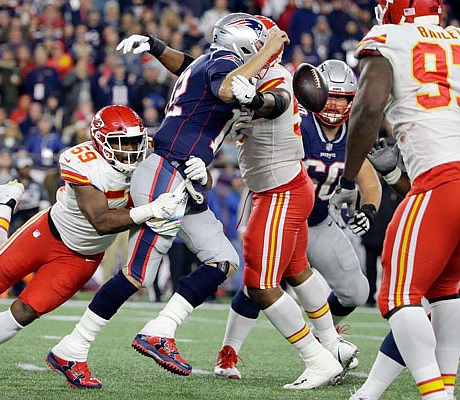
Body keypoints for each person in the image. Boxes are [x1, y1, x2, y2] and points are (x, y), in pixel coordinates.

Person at [46, 13, 289, 388]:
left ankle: (161, 329)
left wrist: (158, 47)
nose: (267, 52)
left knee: (223, 260)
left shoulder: (211, 63)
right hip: (166, 170)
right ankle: (71, 348)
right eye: (261, 44)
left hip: (183, 175)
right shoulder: (224, 64)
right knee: (136, 274)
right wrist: (270, 48)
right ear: (244, 42)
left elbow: (190, 68)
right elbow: (226, 89)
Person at [0, 105, 183, 383]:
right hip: (49, 235)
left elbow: (186, 158)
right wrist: (151, 210)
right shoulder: (81, 160)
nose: (132, 149)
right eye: (122, 143)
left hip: (83, 257)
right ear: (100, 141)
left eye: (136, 141)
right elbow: (100, 220)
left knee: (24, 313)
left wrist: (199, 173)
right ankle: (4, 205)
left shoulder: (149, 155)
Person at [214, 58, 381, 381]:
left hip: (317, 219)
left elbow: (369, 181)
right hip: (281, 209)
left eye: (343, 98)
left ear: (354, 100)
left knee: (356, 292)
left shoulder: (355, 132)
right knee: (261, 282)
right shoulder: (299, 121)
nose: (334, 105)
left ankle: (326, 339)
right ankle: (231, 351)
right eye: (329, 95)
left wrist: (369, 210)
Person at [328, 1, 460, 399]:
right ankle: (382, 392)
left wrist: (350, 177)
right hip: (447, 172)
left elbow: (368, 109)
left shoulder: (389, 38)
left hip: (441, 176)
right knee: (445, 290)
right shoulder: (456, 39)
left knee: (399, 294)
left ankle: (435, 396)